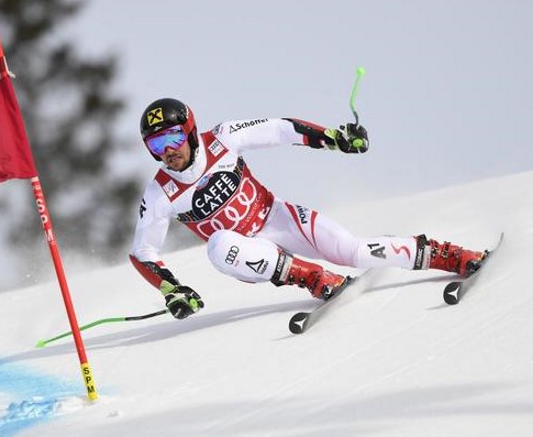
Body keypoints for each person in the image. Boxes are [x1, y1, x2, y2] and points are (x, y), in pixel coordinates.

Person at [129, 98, 488, 320]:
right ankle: (316, 279)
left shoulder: (222, 137)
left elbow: (281, 129)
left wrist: (333, 138)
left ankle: (452, 256)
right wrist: (172, 289)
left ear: (190, 132)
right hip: (247, 253)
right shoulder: (160, 193)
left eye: (173, 137)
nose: (168, 150)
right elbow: (142, 250)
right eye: (156, 144)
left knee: (353, 251)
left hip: (278, 218)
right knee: (219, 244)